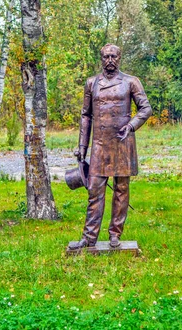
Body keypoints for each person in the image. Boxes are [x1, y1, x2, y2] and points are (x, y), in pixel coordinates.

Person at [70, 44, 152, 249]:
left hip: (123, 143)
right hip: (99, 144)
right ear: (101, 59)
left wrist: (131, 126)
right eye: (106, 57)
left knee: (121, 189)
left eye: (113, 56)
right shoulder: (91, 83)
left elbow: (146, 108)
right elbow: (85, 116)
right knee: (94, 189)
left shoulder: (131, 82)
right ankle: (89, 238)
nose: (110, 60)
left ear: (119, 58)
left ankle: (115, 233)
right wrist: (82, 146)